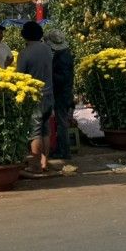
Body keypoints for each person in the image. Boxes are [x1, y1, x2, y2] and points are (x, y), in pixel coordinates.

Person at [16, 20, 54, 174]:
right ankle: (45, 162)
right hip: (49, 94)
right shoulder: (48, 50)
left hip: (34, 96)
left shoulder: (25, 53)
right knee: (45, 130)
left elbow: (20, 76)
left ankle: (35, 165)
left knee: (35, 131)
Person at [45, 29, 74, 160]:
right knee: (60, 122)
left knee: (62, 123)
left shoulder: (62, 57)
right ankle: (60, 149)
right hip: (64, 93)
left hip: (62, 93)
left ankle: (65, 151)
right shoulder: (64, 55)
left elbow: (63, 78)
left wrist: (49, 74)